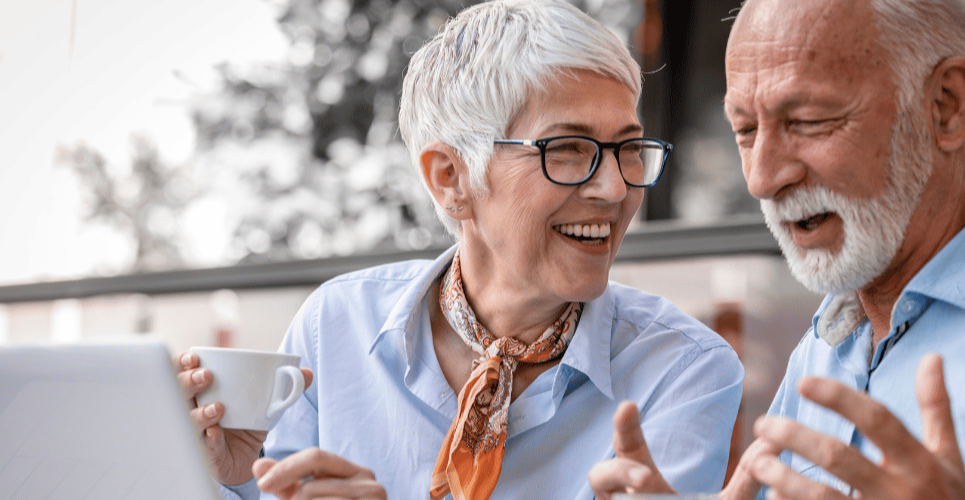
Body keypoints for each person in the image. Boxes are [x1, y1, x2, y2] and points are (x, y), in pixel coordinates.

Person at [589, 0, 965, 499]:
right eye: (746, 131)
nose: (763, 177)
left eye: (808, 120)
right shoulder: (822, 349)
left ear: (947, 106)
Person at [175, 1, 743, 499]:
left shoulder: (683, 371)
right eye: (568, 149)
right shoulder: (335, 327)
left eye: (628, 148)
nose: (616, 188)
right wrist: (225, 481)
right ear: (450, 178)